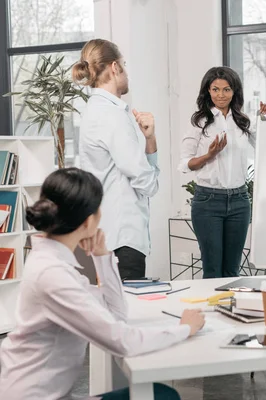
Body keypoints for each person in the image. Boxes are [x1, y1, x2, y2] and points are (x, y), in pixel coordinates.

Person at [0, 168, 205, 400]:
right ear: (89, 222)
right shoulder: (53, 274)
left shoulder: (53, 262)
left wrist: (103, 255)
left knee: (160, 393)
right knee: (162, 396)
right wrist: (185, 328)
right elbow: (122, 341)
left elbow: (116, 314)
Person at [179, 66, 266, 279]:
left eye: (226, 89)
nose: (220, 95)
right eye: (215, 89)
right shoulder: (199, 122)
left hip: (239, 202)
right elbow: (186, 164)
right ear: (208, 91)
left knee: (232, 271)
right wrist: (209, 155)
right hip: (207, 202)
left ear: (234, 92)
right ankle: (210, 311)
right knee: (213, 270)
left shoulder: (243, 122)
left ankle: (231, 312)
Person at [75, 39, 159, 280]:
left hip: (108, 235)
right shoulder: (111, 115)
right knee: (126, 313)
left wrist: (149, 140)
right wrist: (152, 173)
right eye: (124, 65)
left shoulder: (96, 111)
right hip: (122, 238)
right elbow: (146, 182)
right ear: (114, 67)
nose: (126, 73)